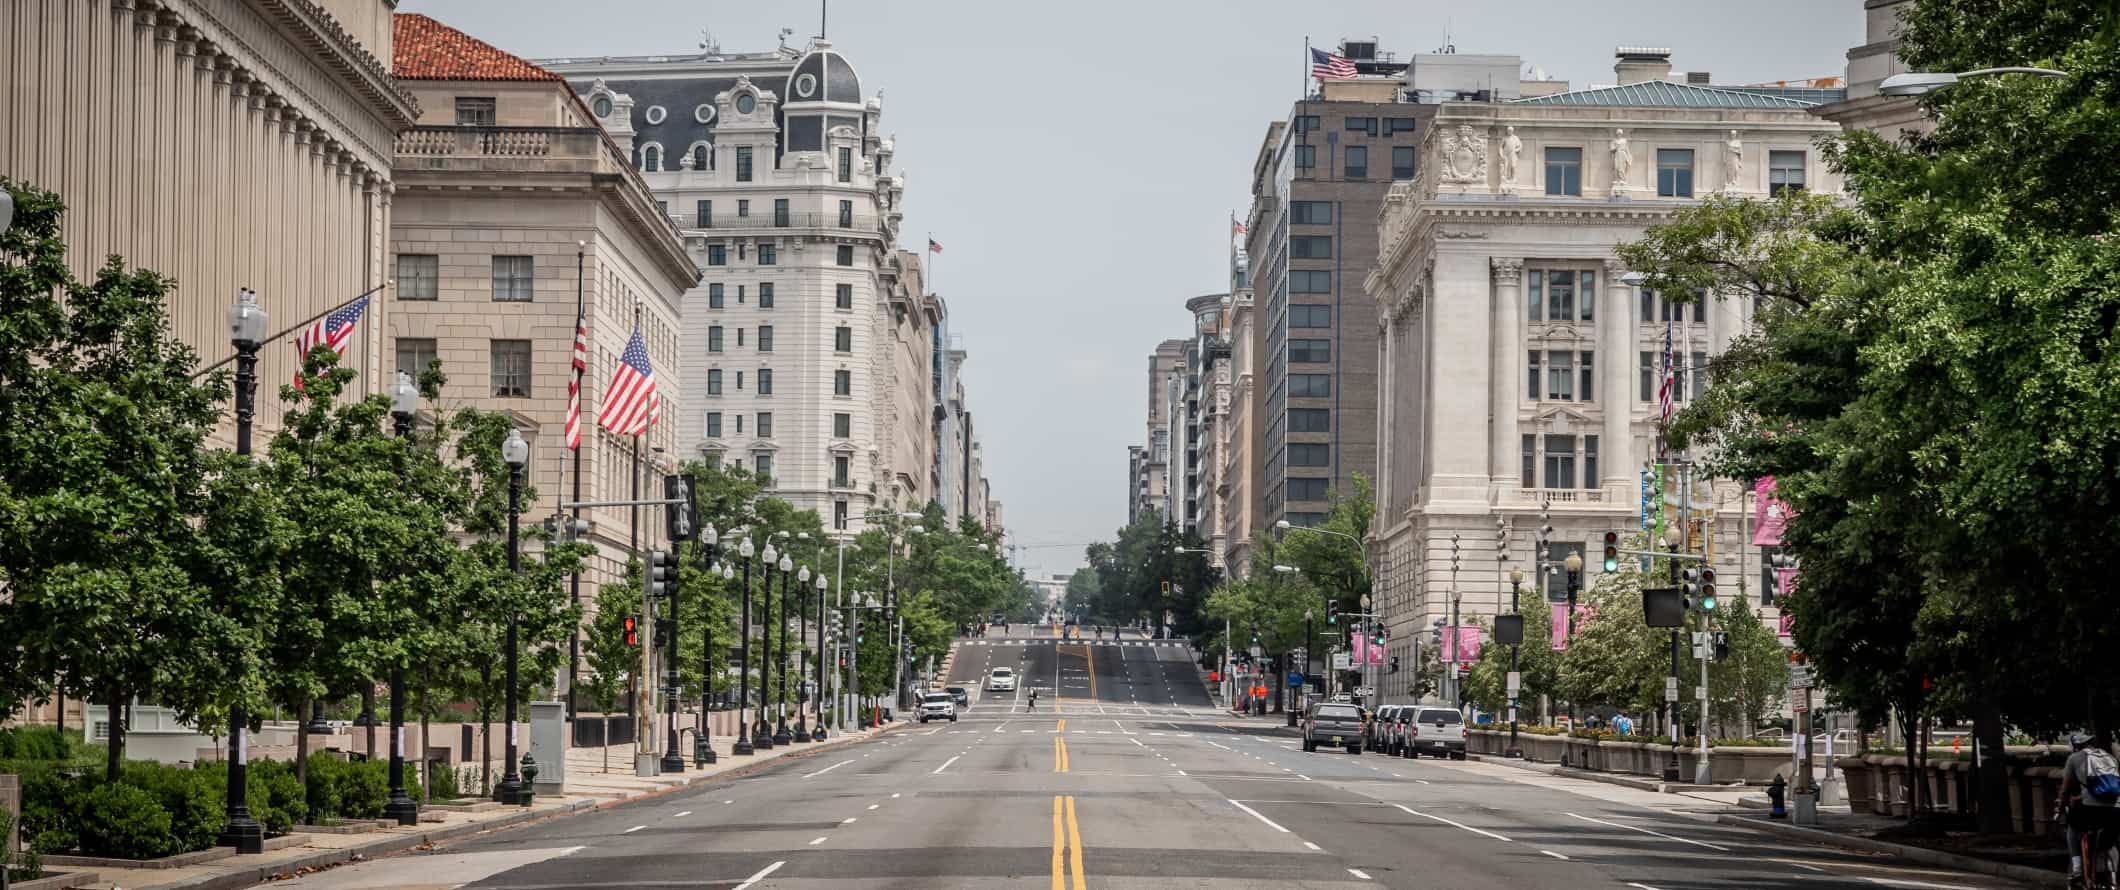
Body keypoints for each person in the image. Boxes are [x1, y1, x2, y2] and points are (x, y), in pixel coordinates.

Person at [2062, 733, 2119, 889]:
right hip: (2116, 809)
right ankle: (2113, 878)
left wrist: (2061, 805)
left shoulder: (2074, 758)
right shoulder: (2109, 757)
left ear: (2075, 747)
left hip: (2091, 810)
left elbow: (2065, 789)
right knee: (2110, 842)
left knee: (2073, 827)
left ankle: (2077, 871)